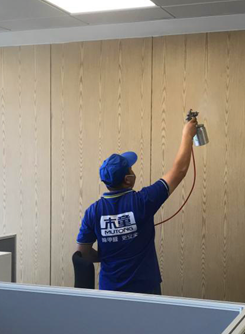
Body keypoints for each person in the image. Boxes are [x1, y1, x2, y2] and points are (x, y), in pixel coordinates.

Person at [76, 116, 198, 295]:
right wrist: (187, 135)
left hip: (109, 290)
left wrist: (107, 255)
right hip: (145, 291)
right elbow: (179, 171)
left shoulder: (92, 212)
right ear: (128, 179)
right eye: (131, 169)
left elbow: (83, 253)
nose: (133, 172)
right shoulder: (143, 201)